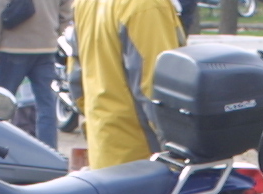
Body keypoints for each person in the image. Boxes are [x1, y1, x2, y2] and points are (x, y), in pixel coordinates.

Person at [73, 0, 182, 166]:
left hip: (104, 146)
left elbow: (76, 80)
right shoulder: (148, 6)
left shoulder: (84, 3)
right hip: (142, 156)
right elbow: (157, 91)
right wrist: (177, 152)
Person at [0, 0, 74, 149]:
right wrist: (55, 32)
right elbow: (67, 8)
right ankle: (49, 151)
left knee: (0, 103)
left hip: (12, 46)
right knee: (46, 104)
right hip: (46, 46)